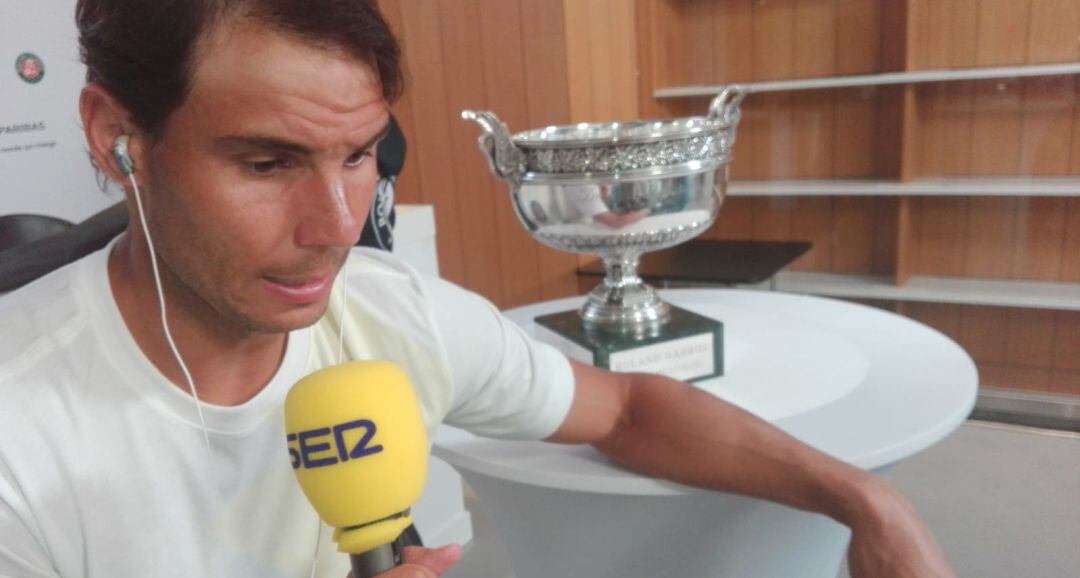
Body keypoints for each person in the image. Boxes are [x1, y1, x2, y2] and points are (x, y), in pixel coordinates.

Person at [0, 1, 956, 577]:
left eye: (361, 156)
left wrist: (867, 502)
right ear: (115, 135)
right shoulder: (19, 433)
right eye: (265, 162)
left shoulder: (390, 312)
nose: (337, 226)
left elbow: (627, 411)